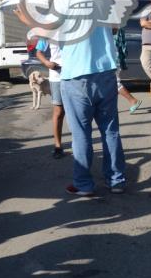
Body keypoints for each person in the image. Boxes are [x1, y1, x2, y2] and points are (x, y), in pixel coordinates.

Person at [60, 25, 127, 196]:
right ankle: (116, 180)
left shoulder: (61, 3)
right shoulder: (104, 1)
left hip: (75, 75)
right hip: (105, 72)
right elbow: (115, 28)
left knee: (81, 133)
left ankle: (83, 184)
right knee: (110, 131)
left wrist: (25, 17)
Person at [34, 38, 66, 159]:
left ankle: (82, 145)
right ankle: (58, 146)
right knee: (59, 112)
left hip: (75, 76)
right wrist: (47, 63)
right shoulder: (48, 31)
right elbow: (38, 52)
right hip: (57, 76)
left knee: (78, 111)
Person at [114, 27, 142, 114]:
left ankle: (133, 100)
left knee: (114, 82)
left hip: (112, 57)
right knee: (110, 84)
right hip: (113, 56)